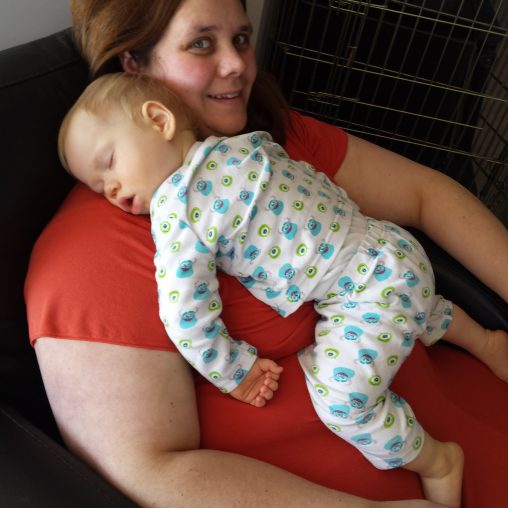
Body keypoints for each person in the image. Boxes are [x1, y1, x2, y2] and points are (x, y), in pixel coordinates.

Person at [25, 0, 508, 507]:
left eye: (241, 38)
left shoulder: (258, 138)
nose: (238, 63)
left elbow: (426, 195)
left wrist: (236, 371)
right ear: (134, 65)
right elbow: (148, 471)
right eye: (201, 43)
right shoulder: (93, 251)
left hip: (458, 400)